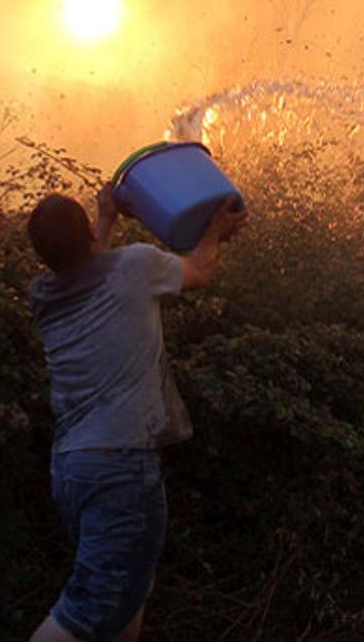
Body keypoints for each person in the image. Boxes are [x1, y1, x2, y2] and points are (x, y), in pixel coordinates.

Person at [26, 183, 247, 642]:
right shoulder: (135, 266)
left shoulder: (44, 296)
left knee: (128, 593)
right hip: (120, 466)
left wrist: (105, 219)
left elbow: (88, 266)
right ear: (86, 234)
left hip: (72, 468)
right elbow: (200, 270)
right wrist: (215, 230)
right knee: (92, 606)